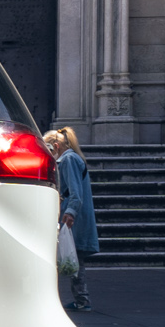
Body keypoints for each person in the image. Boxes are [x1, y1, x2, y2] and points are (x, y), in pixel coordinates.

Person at [46, 127, 98, 311]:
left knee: (74, 258)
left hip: (73, 216)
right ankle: (81, 299)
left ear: (56, 146)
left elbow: (75, 192)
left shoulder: (68, 160)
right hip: (75, 214)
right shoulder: (72, 158)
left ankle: (82, 299)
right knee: (74, 258)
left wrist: (70, 212)